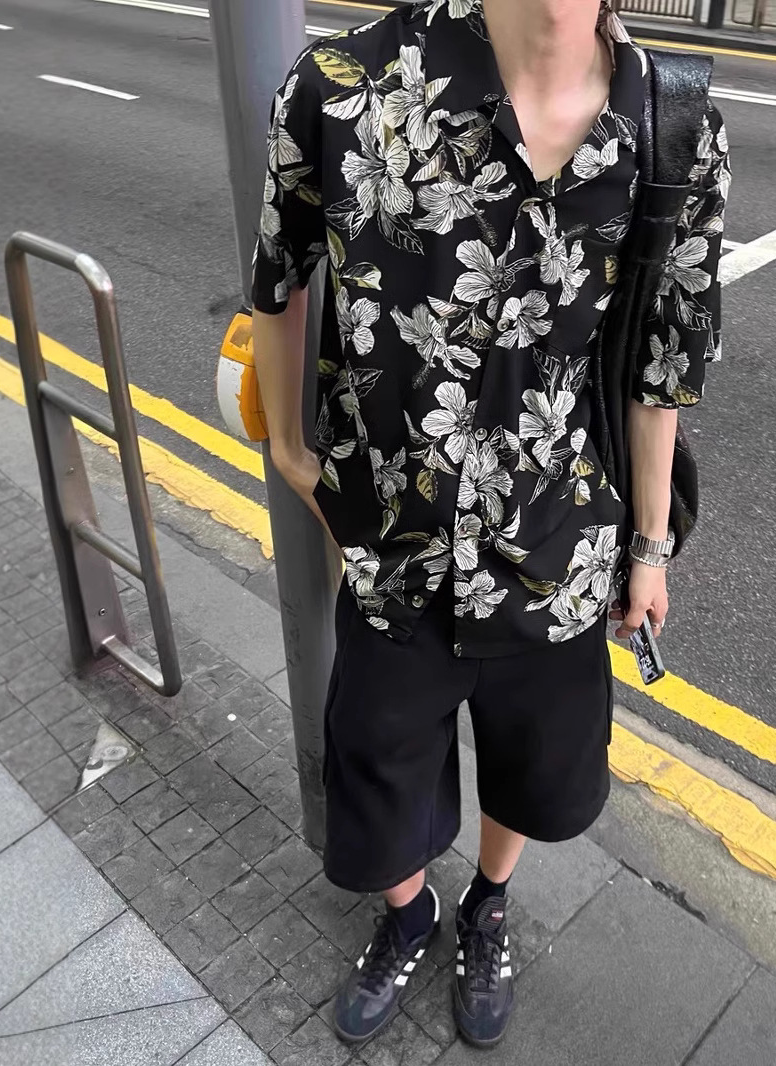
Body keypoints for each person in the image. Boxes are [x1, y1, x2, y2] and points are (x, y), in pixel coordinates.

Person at [250, 0, 730, 1048]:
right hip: (396, 551)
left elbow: (662, 367)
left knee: (534, 763)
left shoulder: (671, 120)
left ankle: (487, 903)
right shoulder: (343, 87)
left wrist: (650, 549)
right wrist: (289, 450)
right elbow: (278, 276)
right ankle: (409, 913)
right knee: (376, 765)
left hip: (561, 547)